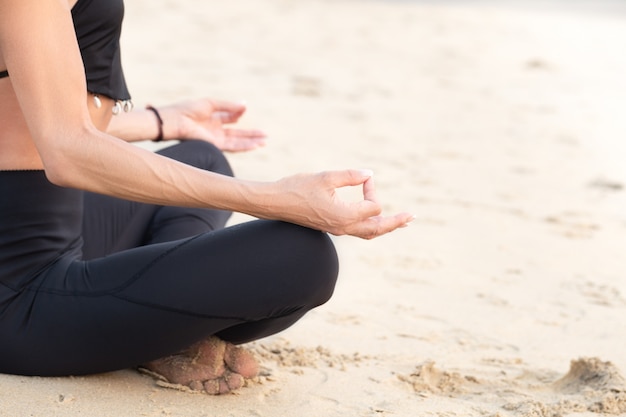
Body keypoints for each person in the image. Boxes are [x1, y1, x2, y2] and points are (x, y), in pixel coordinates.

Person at [0, 0, 413, 396]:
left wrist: (161, 122)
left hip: (40, 221)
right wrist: (275, 198)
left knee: (204, 158)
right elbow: (67, 151)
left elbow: (38, 126)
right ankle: (156, 328)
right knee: (302, 258)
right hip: (17, 297)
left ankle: (149, 318)